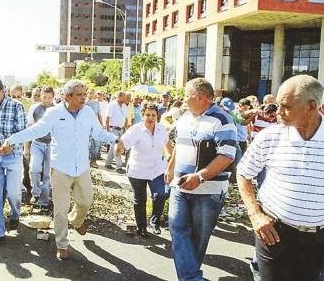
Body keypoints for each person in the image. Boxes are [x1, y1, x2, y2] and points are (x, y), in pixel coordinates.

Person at [0, 80, 117, 260]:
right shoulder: (54, 113)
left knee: (86, 201)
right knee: (61, 209)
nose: (83, 97)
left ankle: (77, 220)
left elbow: (98, 133)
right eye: (79, 94)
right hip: (61, 168)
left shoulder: (87, 112)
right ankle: (62, 244)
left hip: (82, 167)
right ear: (67, 96)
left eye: (84, 93)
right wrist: (11, 140)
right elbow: (34, 131)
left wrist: (115, 140)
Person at [237, 75, 324, 281]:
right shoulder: (270, 136)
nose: (277, 112)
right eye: (277, 105)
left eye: (285, 106)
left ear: (311, 106)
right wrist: (255, 214)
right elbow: (243, 173)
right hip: (274, 233)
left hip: (317, 240)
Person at [165, 78, 237, 281]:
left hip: (208, 191)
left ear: (200, 96)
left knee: (198, 239)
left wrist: (200, 177)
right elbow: (178, 145)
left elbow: (227, 155)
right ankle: (192, 278)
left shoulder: (222, 120)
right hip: (179, 187)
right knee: (177, 229)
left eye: (186, 95)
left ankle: (189, 277)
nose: (183, 99)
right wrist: (170, 168)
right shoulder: (184, 118)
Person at [116, 101, 172, 235]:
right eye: (147, 115)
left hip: (157, 170)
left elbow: (168, 145)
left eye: (153, 115)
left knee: (161, 195)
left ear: (157, 116)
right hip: (137, 171)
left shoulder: (161, 129)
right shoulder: (136, 130)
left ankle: (155, 222)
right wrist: (119, 149)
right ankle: (141, 227)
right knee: (140, 199)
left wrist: (171, 157)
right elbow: (122, 143)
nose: (150, 118)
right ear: (142, 115)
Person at [0, 79, 26, 247]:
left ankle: (15, 214)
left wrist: (11, 145)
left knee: (13, 192)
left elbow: (23, 133)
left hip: (13, 155)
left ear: (3, 92)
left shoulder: (16, 106)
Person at [26, 86, 55, 209]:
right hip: (37, 143)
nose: (47, 100)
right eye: (44, 97)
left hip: (51, 145)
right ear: (40, 96)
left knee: (48, 174)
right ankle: (36, 193)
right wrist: (26, 147)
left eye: (49, 97)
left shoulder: (57, 110)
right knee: (34, 169)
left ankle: (44, 201)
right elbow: (29, 128)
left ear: (53, 97)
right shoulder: (35, 108)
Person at [105, 91, 128, 172]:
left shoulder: (125, 106)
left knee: (112, 147)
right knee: (116, 147)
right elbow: (107, 119)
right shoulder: (112, 105)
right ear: (119, 97)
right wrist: (107, 131)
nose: (126, 98)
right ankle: (119, 167)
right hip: (113, 129)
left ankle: (108, 163)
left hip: (121, 130)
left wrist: (125, 129)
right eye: (124, 97)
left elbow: (125, 119)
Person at [85, 90, 101, 167]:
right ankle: (86, 160)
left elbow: (99, 115)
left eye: (92, 93)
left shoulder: (97, 104)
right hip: (86, 126)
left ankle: (93, 160)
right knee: (86, 144)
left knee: (96, 144)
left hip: (95, 126)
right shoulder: (84, 103)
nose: (91, 94)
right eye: (90, 93)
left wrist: (101, 125)